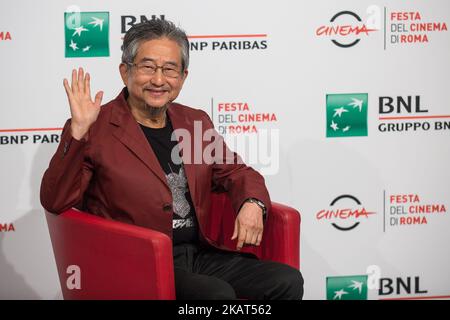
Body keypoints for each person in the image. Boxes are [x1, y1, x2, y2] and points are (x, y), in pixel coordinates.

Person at [40, 19, 303, 300]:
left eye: (169, 69)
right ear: (124, 71)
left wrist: (253, 202)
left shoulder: (194, 121)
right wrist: (77, 132)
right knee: (215, 295)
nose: (158, 80)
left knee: (285, 281)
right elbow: (56, 200)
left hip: (199, 254)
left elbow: (237, 172)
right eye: (148, 67)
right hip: (136, 261)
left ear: (183, 77)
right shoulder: (96, 127)